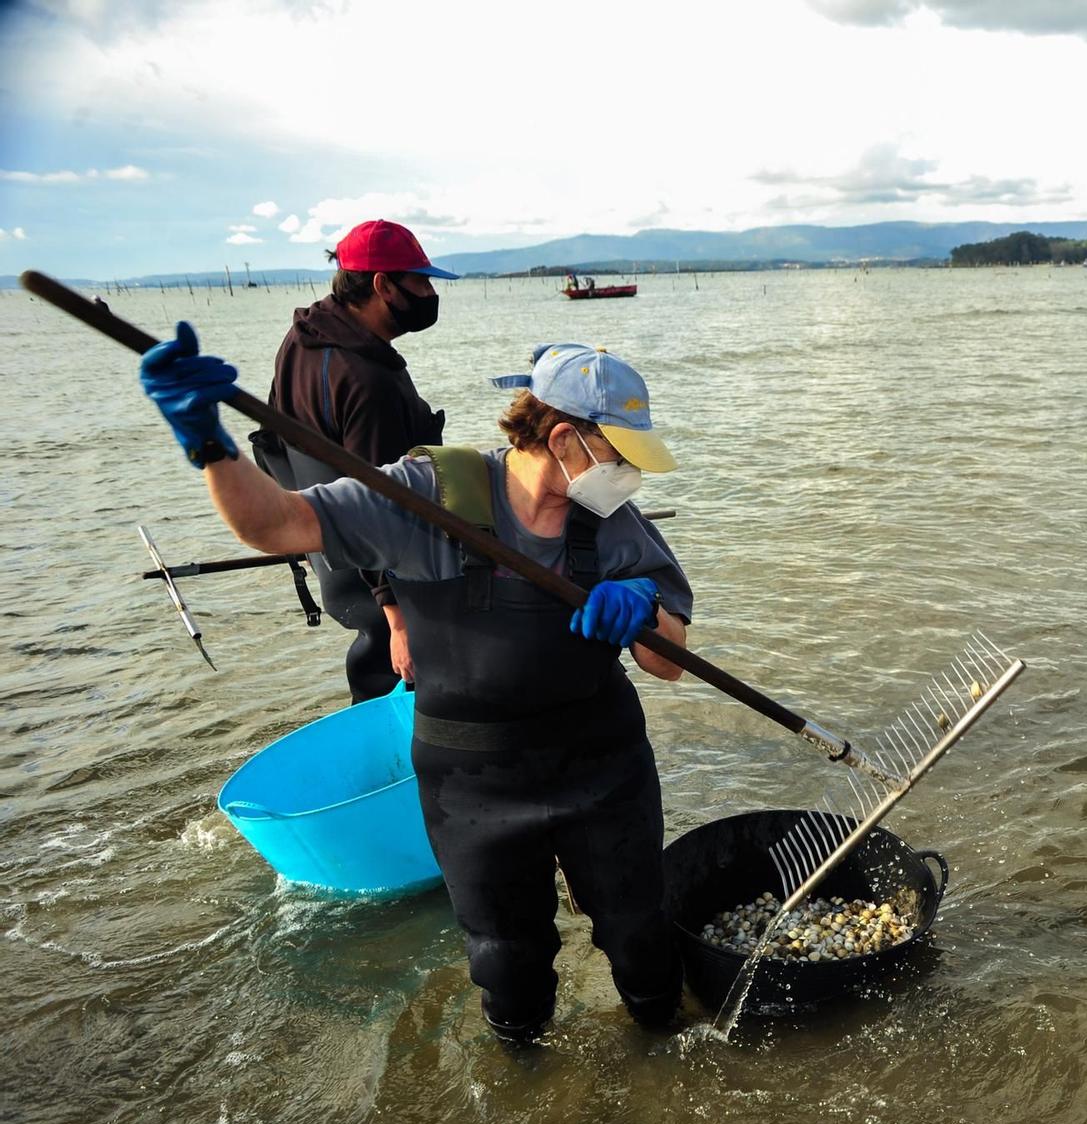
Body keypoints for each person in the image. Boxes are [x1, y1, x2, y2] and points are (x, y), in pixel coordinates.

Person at [140, 328, 694, 1043]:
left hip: (602, 764)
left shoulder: (614, 524)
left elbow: (671, 661)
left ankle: (661, 1044)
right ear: (564, 439)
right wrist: (208, 441)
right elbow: (274, 524)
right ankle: (526, 1088)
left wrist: (645, 612)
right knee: (507, 963)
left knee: (640, 936)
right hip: (473, 783)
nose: (626, 473)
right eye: (619, 452)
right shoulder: (424, 494)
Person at [251, 219, 457, 703]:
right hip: (379, 577)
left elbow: (274, 447)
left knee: (375, 681)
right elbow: (376, 503)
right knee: (411, 691)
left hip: (326, 552)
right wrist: (397, 617)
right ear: (382, 284)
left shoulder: (302, 339)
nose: (429, 293)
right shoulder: (367, 381)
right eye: (420, 281)